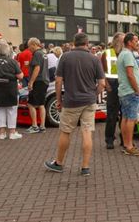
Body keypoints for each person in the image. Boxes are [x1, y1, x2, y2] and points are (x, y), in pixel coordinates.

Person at [45, 33, 105, 176]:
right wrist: (93, 94)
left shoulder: (65, 57)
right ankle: (85, 167)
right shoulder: (94, 59)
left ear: (74, 43)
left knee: (66, 131)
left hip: (71, 101)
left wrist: (59, 100)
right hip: (89, 101)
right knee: (87, 132)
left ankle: (59, 163)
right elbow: (102, 83)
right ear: (87, 43)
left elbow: (58, 81)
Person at [0, 41, 23, 140]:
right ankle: (12, 132)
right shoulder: (12, 62)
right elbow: (20, 76)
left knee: (0, 109)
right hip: (10, 87)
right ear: (8, 51)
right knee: (12, 110)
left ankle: (2, 133)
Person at [118, 33, 139, 156]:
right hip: (130, 91)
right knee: (131, 119)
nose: (137, 43)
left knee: (125, 117)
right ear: (129, 42)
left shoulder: (123, 53)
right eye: (135, 41)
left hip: (124, 91)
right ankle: (129, 145)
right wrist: (136, 89)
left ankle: (126, 144)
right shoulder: (128, 55)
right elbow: (130, 74)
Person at [102, 33, 124, 149]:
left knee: (124, 114)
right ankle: (109, 139)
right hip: (112, 85)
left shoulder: (125, 53)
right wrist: (106, 84)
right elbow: (101, 71)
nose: (124, 42)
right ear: (116, 41)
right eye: (122, 40)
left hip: (123, 85)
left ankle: (124, 139)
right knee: (112, 114)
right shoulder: (107, 53)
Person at [24, 38, 48, 133]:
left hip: (38, 81)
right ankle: (42, 126)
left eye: (29, 46)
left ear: (34, 44)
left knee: (31, 103)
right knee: (41, 104)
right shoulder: (43, 53)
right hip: (44, 81)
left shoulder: (37, 54)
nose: (29, 48)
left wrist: (31, 82)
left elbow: (37, 68)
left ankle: (34, 126)